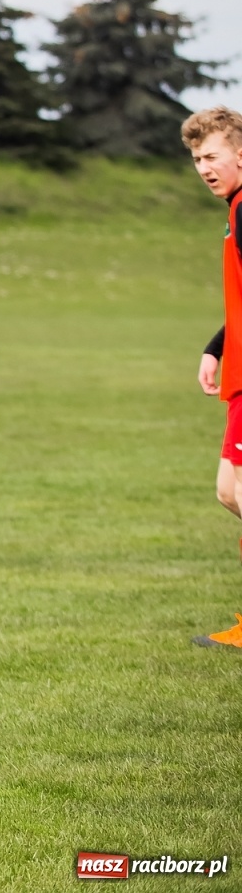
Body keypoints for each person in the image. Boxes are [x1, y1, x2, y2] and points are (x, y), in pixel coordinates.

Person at [189, 106, 242, 650]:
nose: (204, 167)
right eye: (196, 159)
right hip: (238, 373)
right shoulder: (236, 209)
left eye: (212, 156)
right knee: (229, 491)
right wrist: (217, 347)